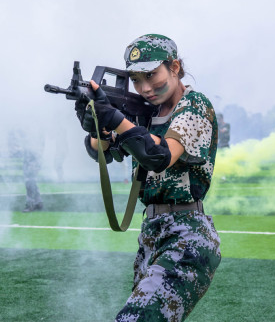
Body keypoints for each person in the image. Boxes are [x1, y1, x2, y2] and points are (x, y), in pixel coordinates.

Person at [74, 34, 221, 321]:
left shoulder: (194, 105)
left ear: (174, 67)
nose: (144, 88)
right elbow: (102, 151)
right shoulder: (145, 113)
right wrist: (95, 125)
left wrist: (114, 119)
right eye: (136, 79)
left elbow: (160, 155)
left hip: (187, 235)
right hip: (152, 234)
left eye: (151, 75)